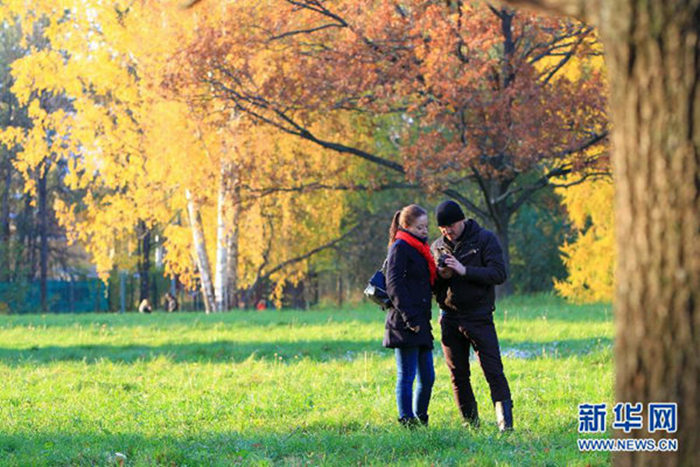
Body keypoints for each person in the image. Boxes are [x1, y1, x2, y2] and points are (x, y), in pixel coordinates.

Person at [431, 200, 513, 431]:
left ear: (463, 220)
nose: (448, 230)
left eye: (452, 225)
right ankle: (471, 425)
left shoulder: (485, 239)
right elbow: (431, 287)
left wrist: (464, 270)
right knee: (458, 375)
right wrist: (441, 276)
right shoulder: (436, 246)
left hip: (479, 315)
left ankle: (505, 425)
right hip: (449, 317)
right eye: (443, 227)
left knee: (493, 370)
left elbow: (499, 273)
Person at [383, 204, 436, 428]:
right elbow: (394, 284)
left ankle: (420, 417)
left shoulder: (421, 249)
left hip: (421, 321)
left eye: (426, 227)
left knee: (428, 377)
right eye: (419, 227)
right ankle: (406, 420)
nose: (425, 231)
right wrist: (410, 318)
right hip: (404, 322)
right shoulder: (400, 247)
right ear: (406, 226)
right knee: (407, 375)